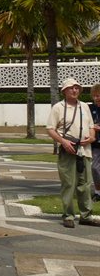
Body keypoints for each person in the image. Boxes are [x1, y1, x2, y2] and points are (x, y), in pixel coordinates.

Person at [45, 78, 99, 228]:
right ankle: (68, 215)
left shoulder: (84, 107)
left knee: (86, 184)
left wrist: (92, 137)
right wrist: (63, 142)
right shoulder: (58, 108)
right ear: (64, 91)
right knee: (69, 183)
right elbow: (50, 129)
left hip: (84, 150)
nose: (74, 90)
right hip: (68, 149)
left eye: (76, 88)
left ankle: (86, 215)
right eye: (71, 88)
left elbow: (91, 126)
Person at [89, 83, 100, 202]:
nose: (97, 98)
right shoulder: (89, 108)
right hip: (95, 144)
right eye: (95, 95)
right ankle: (98, 192)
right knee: (95, 168)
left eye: (99, 95)